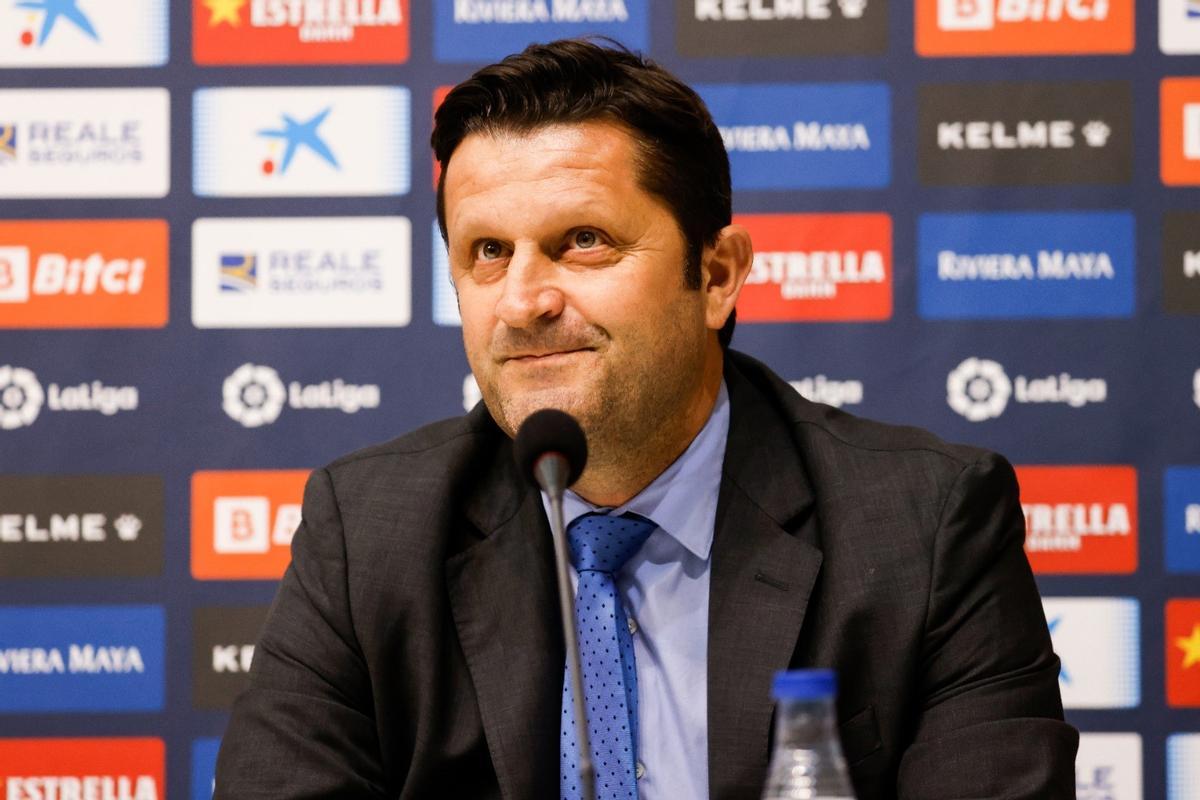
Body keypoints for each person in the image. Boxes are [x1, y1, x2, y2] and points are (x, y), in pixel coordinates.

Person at [215, 39, 1078, 799]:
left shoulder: (924, 527)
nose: (523, 301)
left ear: (716, 275)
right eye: (487, 252)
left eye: (582, 241)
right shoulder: (368, 533)